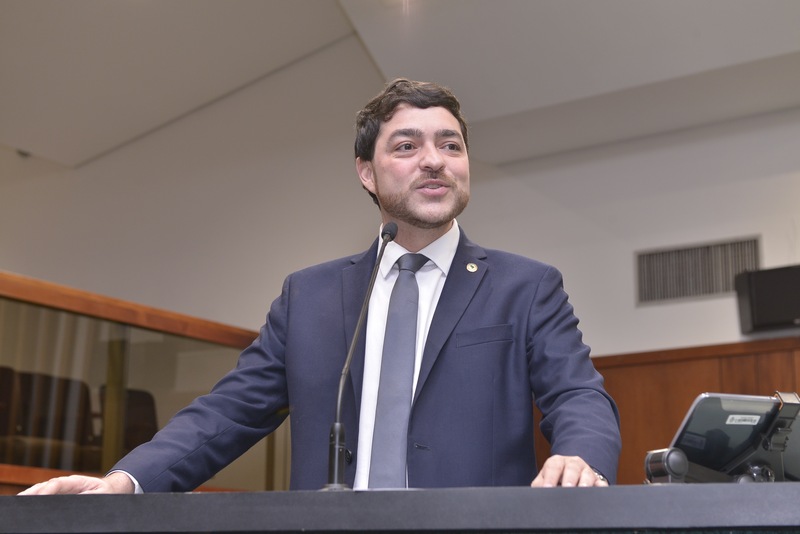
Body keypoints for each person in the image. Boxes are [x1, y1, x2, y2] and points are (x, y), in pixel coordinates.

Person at [20, 79, 620, 495]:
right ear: (367, 173)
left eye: (450, 145)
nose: (434, 160)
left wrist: (581, 458)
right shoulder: (308, 297)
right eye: (407, 146)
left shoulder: (526, 287)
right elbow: (229, 411)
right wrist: (125, 481)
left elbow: (578, 396)